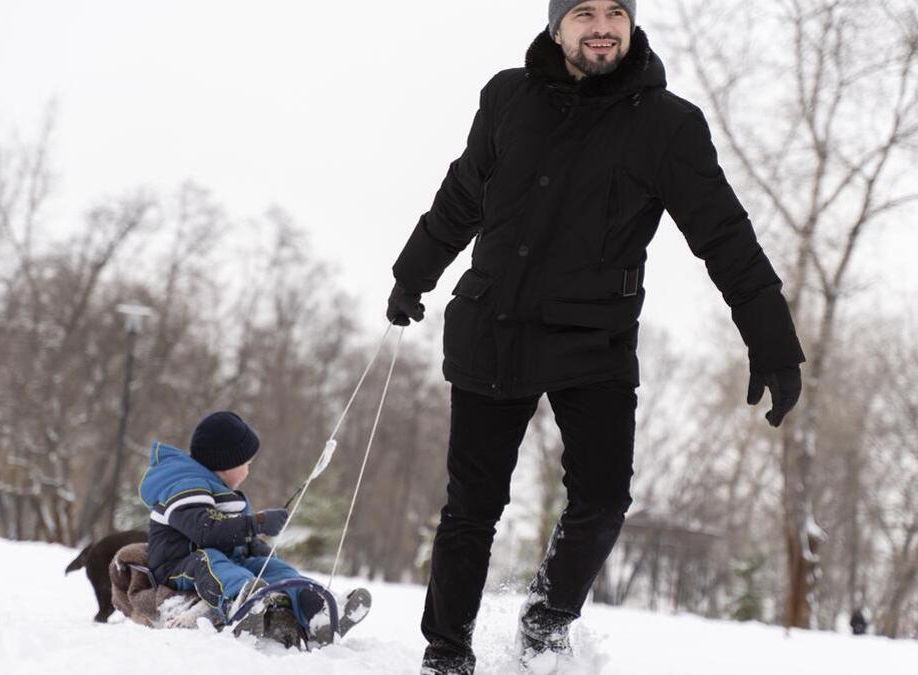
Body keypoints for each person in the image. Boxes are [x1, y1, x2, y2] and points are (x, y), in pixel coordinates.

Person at [386, 1, 804, 672]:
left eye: (615, 12)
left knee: (604, 499)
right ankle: (447, 650)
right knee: (472, 507)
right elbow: (464, 192)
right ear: (557, 27)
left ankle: (547, 620)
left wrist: (772, 342)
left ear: (632, 24)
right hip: (496, 326)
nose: (602, 26)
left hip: (595, 339)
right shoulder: (507, 97)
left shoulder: (668, 124)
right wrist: (414, 273)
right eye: (583, 13)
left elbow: (724, 234)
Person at [137, 410, 370, 645]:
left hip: (226, 564)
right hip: (179, 567)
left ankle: (317, 612)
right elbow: (206, 531)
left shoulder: (220, 491)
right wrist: (256, 523)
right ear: (225, 463)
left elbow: (233, 539)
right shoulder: (182, 486)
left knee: (272, 567)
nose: (248, 470)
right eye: (246, 463)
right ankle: (239, 602)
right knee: (208, 559)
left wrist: (258, 549)